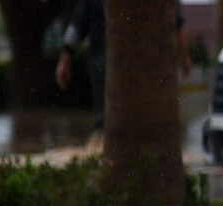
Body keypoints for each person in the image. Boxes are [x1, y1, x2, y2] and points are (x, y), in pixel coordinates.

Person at [56, 0, 192, 134]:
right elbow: (76, 27)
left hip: (140, 66)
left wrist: (184, 56)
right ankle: (102, 135)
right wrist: (64, 59)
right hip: (104, 63)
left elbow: (174, 22)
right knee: (106, 113)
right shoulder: (93, 3)